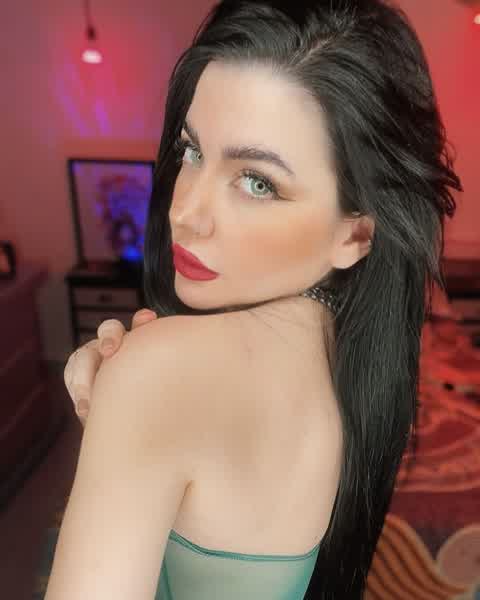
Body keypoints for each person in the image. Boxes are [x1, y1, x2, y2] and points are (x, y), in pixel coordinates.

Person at [52, 0, 462, 598]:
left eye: (257, 182)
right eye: (192, 151)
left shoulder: (161, 373)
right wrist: (123, 414)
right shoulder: (347, 357)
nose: (185, 213)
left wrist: (138, 389)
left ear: (356, 234)